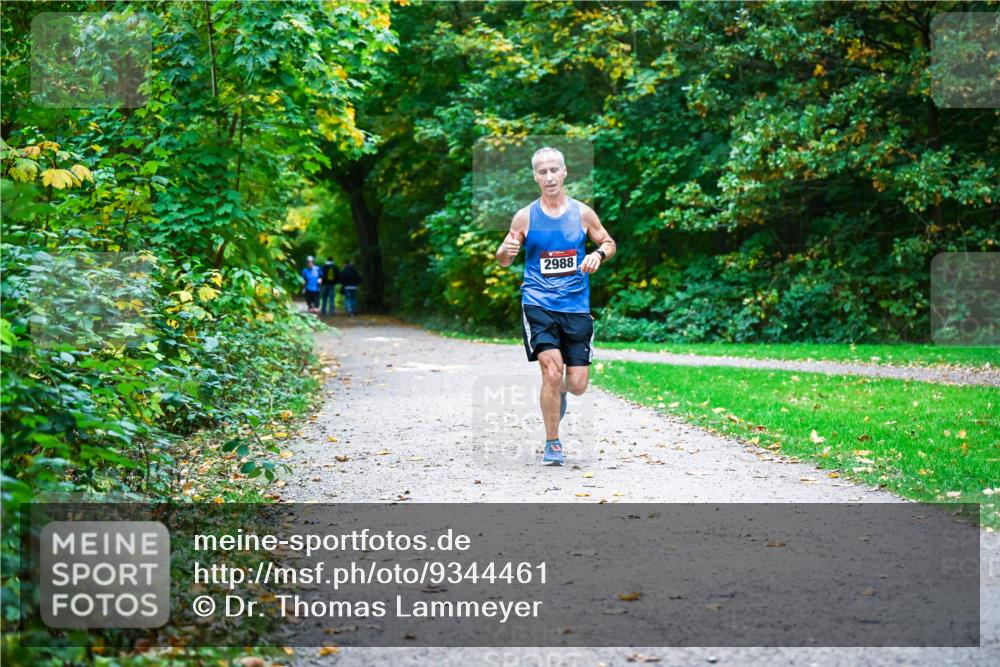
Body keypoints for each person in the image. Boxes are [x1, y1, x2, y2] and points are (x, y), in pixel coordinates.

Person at [495, 147, 616, 466]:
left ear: (564, 173)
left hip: (576, 306)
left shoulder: (581, 213)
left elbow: (608, 242)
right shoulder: (525, 216)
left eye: (554, 170)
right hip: (538, 302)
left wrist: (597, 255)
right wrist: (505, 252)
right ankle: (553, 443)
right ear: (535, 176)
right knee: (551, 371)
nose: (549, 177)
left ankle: (559, 390)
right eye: (542, 172)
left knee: (576, 385)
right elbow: (505, 258)